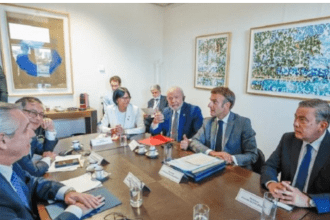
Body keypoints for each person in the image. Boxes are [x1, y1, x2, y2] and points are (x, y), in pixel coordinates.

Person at [0, 102, 104, 220]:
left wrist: (66, 192)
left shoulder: (9, 165)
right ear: (2, 140)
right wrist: (75, 210)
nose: (32, 134)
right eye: (25, 130)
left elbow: (32, 183)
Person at [261, 99, 330, 214]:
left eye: (302, 120)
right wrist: (272, 184)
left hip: (315, 213)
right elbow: (269, 166)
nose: (295, 123)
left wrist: (308, 201)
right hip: (284, 207)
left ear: (322, 125)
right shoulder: (288, 139)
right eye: (296, 117)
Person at [183, 87, 258, 169]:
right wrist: (212, 153)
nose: (209, 105)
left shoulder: (243, 123)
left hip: (234, 172)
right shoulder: (207, 122)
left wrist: (231, 158)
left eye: (214, 102)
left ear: (227, 105)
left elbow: (252, 154)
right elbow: (194, 141)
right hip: (211, 167)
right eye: (210, 101)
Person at [15, 97, 58, 176]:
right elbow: (33, 172)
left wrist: (50, 130)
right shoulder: (12, 138)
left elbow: (45, 151)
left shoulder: (30, 134)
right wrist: (48, 159)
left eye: (41, 114)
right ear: (17, 113)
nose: (38, 118)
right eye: (32, 112)